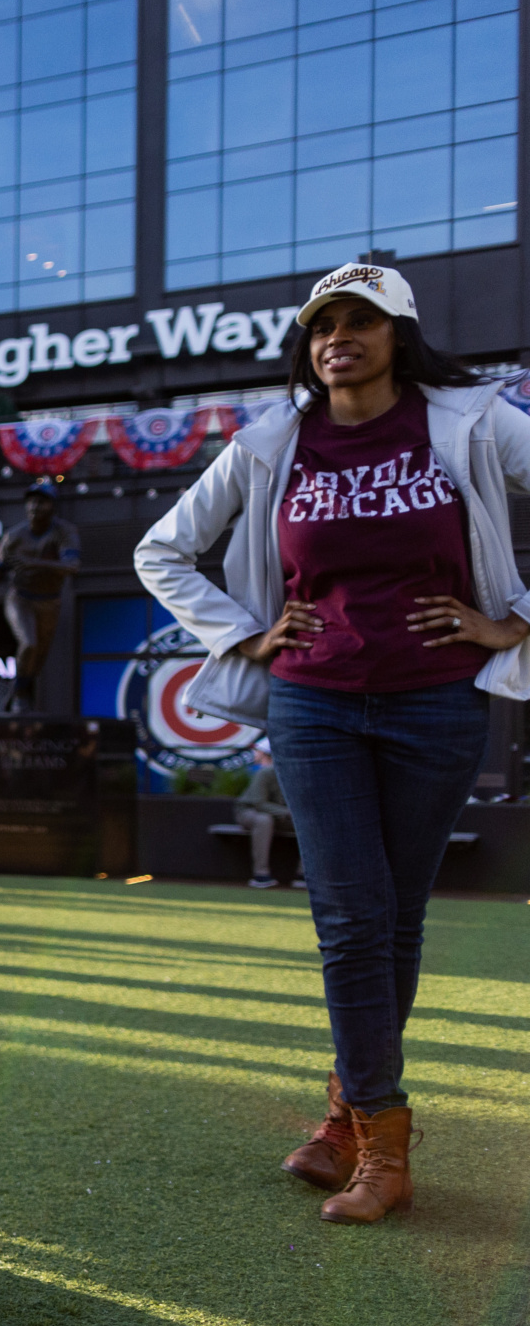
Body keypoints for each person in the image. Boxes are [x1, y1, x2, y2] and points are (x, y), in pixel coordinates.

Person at [136, 260, 530, 1226]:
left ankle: (345, 1116)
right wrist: (244, 631)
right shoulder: (274, 440)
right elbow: (162, 549)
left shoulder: (470, 418)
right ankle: (383, 1144)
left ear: (400, 333)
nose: (336, 338)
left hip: (436, 702)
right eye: (322, 325)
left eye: (360, 321)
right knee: (351, 917)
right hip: (311, 705)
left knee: (394, 918)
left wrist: (511, 621)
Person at [0, 483, 80, 712]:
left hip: (49, 600)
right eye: (31, 501)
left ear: (52, 506)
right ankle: (19, 693)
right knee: (29, 643)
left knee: (38, 658)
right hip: (21, 597)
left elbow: (72, 566)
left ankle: (18, 691)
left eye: (42, 501)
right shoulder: (14, 536)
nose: (35, 506)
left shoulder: (64, 531)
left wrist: (34, 564)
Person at [235, 745, 293, 890]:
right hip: (249, 811)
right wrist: (286, 812)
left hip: (281, 816)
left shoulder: (301, 775)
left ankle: (305, 874)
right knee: (264, 820)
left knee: (311, 823)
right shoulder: (265, 773)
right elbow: (258, 803)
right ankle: (260, 874)